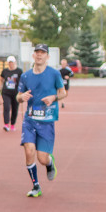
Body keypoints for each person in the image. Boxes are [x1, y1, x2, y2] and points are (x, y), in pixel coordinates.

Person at [17, 43, 67, 197]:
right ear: (33, 55)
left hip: (46, 121)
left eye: (42, 53)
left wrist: (53, 97)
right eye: (37, 52)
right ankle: (36, 186)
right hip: (30, 120)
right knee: (29, 150)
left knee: (42, 158)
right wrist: (21, 97)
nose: (39, 55)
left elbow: (63, 93)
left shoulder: (54, 74)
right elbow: (18, 97)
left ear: (48, 56)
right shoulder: (25, 76)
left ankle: (50, 163)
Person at [0, 55, 22, 131]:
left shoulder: (19, 71)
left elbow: (22, 81)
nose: (10, 64)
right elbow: (1, 79)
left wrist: (22, 89)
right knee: (6, 107)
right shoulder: (5, 71)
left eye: (12, 62)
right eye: (9, 62)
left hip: (16, 93)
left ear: (15, 62)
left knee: (15, 108)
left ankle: (12, 124)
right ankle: (6, 124)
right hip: (6, 92)